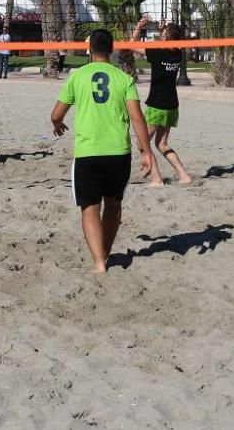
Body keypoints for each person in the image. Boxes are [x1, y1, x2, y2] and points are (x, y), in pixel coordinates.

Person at [51, 29, 154, 274]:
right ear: (112, 50)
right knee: (113, 204)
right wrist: (146, 152)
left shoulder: (78, 76)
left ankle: (99, 262)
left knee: (89, 208)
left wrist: (56, 122)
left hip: (89, 152)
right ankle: (105, 252)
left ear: (89, 50)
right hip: (118, 152)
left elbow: (57, 113)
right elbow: (137, 118)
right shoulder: (123, 78)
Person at [130, 17, 193, 186]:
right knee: (162, 143)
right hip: (172, 105)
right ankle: (184, 176)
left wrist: (139, 25)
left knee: (142, 142)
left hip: (157, 105)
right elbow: (166, 42)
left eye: (163, 34)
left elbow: (131, 44)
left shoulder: (157, 51)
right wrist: (163, 30)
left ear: (166, 37)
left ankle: (157, 179)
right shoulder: (177, 53)